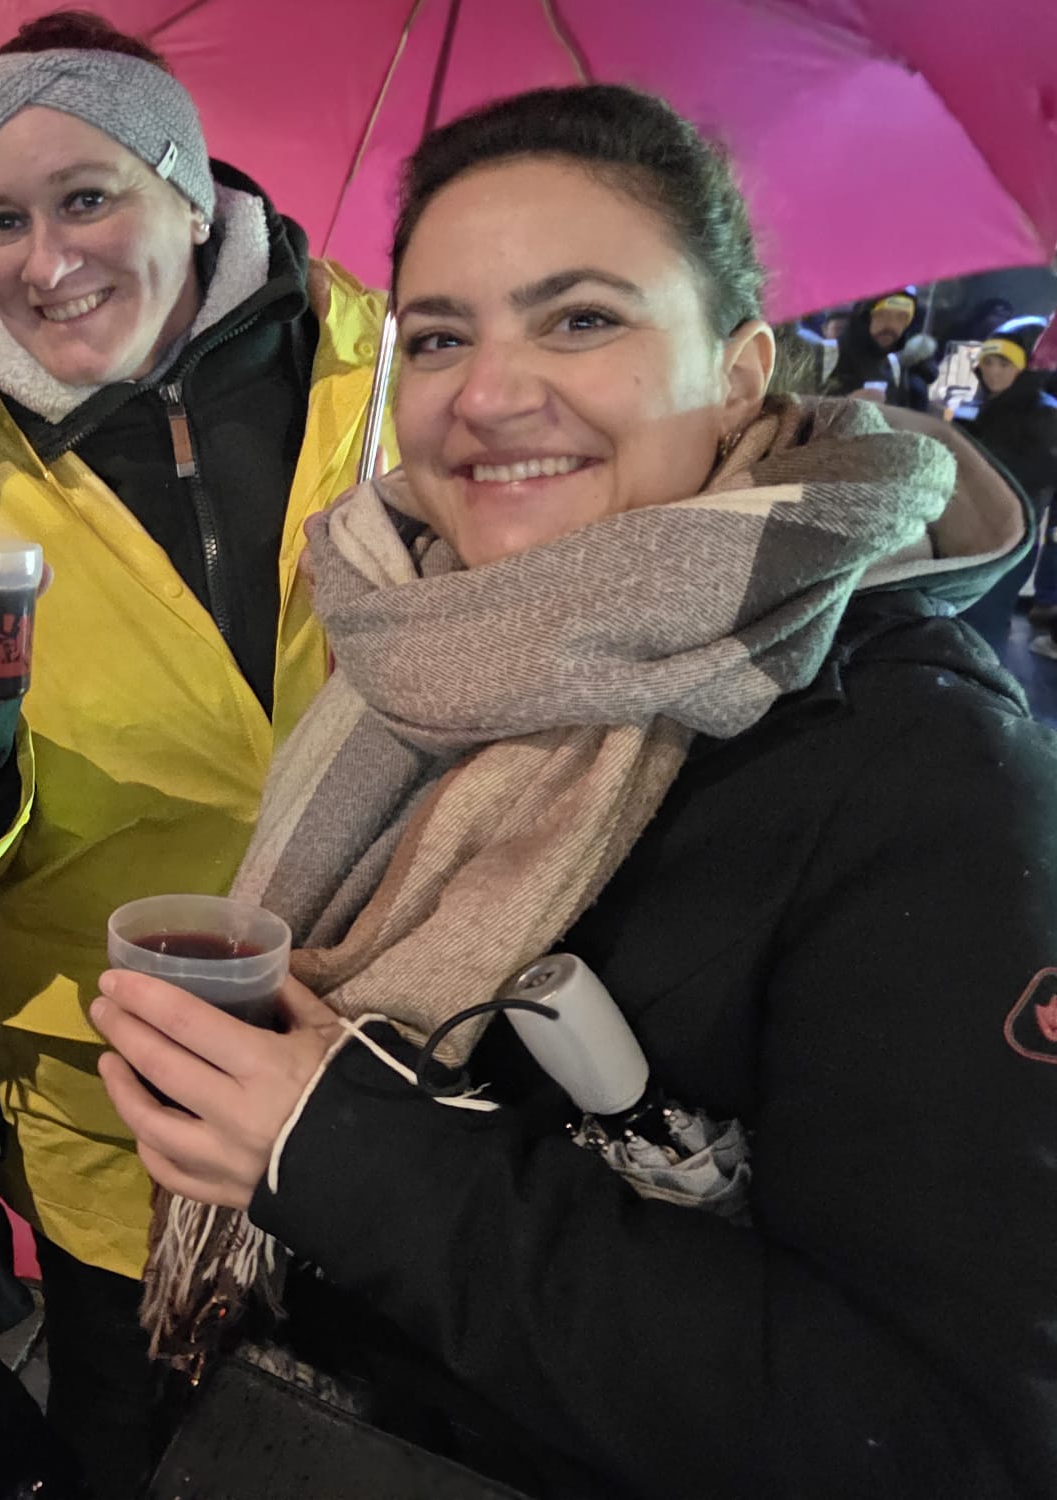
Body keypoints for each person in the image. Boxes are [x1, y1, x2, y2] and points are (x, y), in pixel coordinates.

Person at [93, 84, 1057, 1500]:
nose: (487, 395)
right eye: (439, 336)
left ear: (738, 371)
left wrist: (345, 1153)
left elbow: (948, 1436)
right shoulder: (410, 641)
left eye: (582, 318)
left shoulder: (916, 769)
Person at [0, 11, 389, 1495]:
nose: (42, 258)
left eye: (86, 196)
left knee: (379, 1435)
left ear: (187, 186)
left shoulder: (386, 373)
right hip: (114, 1078)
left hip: (393, 1042)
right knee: (135, 1449)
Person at [957, 318, 1057, 657]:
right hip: (981, 526)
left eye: (1004, 364)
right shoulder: (989, 406)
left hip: (1012, 533)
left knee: (985, 619)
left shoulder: (1044, 413)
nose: (993, 372)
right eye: (988, 362)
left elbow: (1041, 472)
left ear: (1022, 368)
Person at [824, 286, 936, 408]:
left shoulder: (893, 365)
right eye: (882, 315)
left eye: (902, 318)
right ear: (865, 316)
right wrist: (844, 405)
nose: (891, 326)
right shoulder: (824, 356)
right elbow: (802, 414)